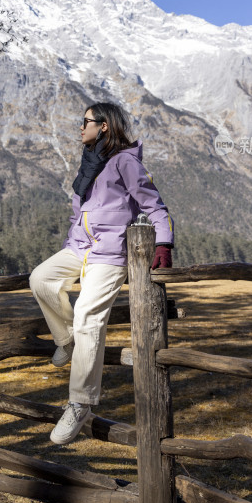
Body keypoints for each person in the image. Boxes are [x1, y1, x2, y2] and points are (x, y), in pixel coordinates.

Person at [29, 101, 174, 445]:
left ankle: (80, 403)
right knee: (41, 278)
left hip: (109, 254)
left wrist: (163, 244)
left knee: (87, 316)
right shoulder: (89, 163)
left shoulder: (125, 161)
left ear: (104, 126)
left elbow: (154, 205)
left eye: (86, 122)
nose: (80, 128)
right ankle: (65, 341)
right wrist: (71, 241)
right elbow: (82, 213)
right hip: (80, 248)